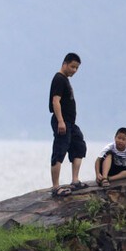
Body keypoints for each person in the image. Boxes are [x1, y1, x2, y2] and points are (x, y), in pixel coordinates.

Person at [49, 52, 87, 197]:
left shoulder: (65, 79)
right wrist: (60, 121)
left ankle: (75, 180)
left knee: (79, 145)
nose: (74, 70)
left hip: (70, 123)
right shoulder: (59, 79)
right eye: (72, 67)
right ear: (64, 64)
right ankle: (55, 186)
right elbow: (55, 101)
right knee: (59, 151)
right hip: (62, 121)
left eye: (76, 68)